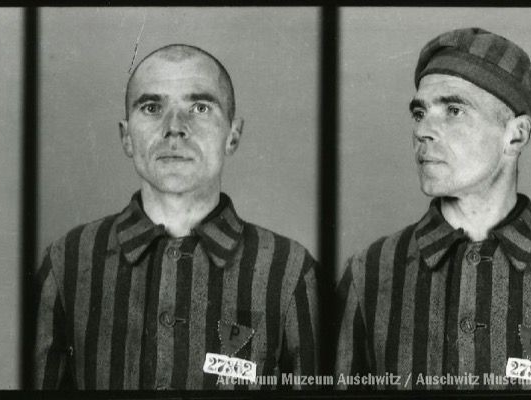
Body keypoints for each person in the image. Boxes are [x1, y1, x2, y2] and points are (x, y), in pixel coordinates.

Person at [334, 27, 531, 390]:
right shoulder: (369, 273)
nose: (423, 131)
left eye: (453, 110)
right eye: (419, 113)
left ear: (516, 135)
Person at [31, 44, 320, 390]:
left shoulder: (290, 271)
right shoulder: (67, 261)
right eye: (152, 108)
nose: (174, 128)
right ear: (126, 137)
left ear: (233, 135)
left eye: (199, 107)